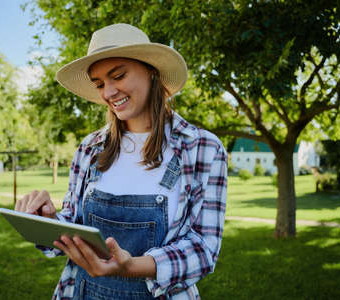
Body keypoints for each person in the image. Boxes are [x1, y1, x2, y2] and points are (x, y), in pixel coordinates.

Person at [15, 23, 227, 300]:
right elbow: (75, 226)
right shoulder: (90, 148)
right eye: (100, 84)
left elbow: (203, 249)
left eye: (118, 76)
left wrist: (132, 266)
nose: (109, 92)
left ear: (152, 72)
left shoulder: (203, 148)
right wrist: (49, 219)